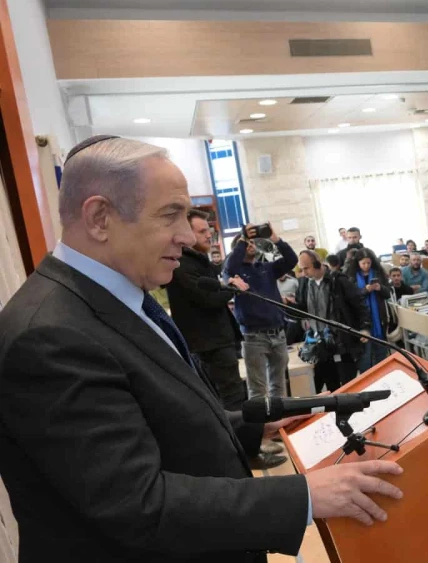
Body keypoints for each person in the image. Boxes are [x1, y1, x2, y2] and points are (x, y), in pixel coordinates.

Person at [0, 136, 404, 561]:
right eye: (170, 215)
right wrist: (302, 496)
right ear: (100, 217)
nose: (185, 237)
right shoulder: (49, 336)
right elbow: (136, 503)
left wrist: (256, 423)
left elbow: (156, 418)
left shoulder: (116, 299)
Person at [165, 209, 246, 411]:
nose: (209, 235)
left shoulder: (199, 261)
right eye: (202, 231)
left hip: (216, 342)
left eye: (209, 230)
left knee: (232, 398)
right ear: (185, 232)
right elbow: (208, 299)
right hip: (209, 345)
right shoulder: (182, 264)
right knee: (231, 401)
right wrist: (233, 288)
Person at [225, 224, 297, 401]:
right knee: (257, 389)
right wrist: (242, 241)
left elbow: (291, 260)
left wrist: (275, 239)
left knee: (278, 385)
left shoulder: (266, 268)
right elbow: (229, 268)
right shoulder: (235, 273)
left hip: (278, 334)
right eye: (246, 243)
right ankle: (263, 426)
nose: (251, 245)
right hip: (254, 337)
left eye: (252, 242)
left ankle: (280, 420)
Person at [296, 250, 370, 392]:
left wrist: (365, 327)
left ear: (318, 264)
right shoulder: (305, 284)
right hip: (320, 345)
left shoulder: (339, 281)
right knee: (332, 389)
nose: (304, 273)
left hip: (341, 343)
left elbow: (359, 304)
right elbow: (303, 307)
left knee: (348, 388)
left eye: (306, 268)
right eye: (302, 269)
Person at [345, 253, 392, 373]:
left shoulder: (378, 273)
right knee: (365, 359)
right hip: (361, 321)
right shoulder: (351, 277)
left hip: (379, 320)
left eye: (368, 263)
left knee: (381, 356)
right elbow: (351, 298)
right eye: (363, 263)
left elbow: (388, 294)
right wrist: (365, 290)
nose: (366, 266)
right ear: (358, 263)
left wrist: (379, 288)